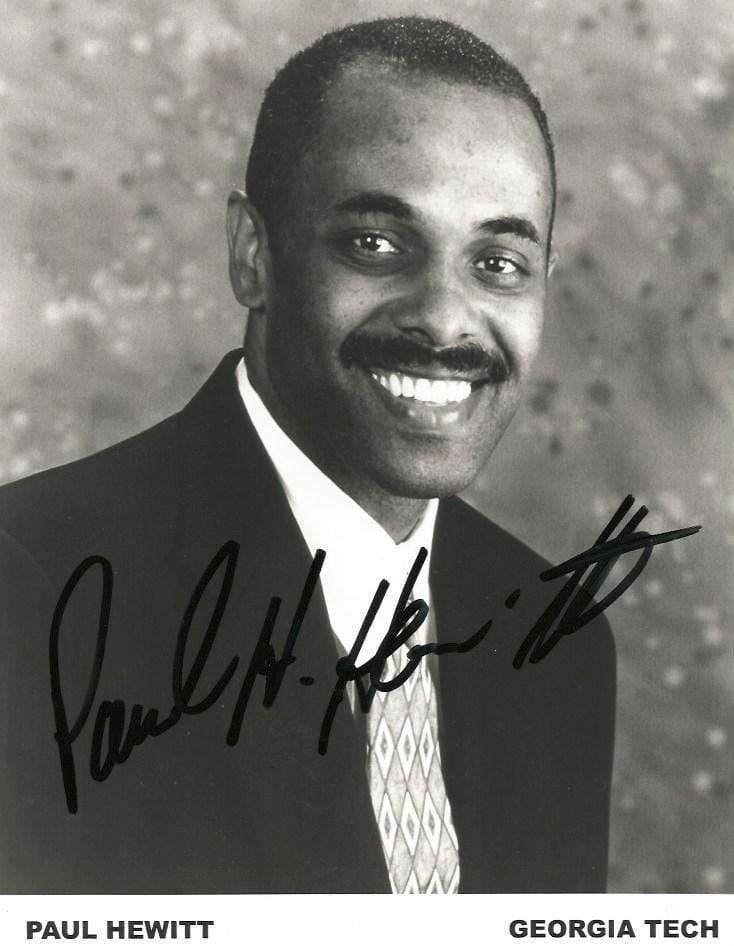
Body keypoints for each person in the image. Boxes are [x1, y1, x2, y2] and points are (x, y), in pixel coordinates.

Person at [0, 16, 615, 894]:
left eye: (497, 262)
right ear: (253, 256)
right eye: (376, 244)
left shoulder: (558, 643)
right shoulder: (35, 592)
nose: (445, 319)